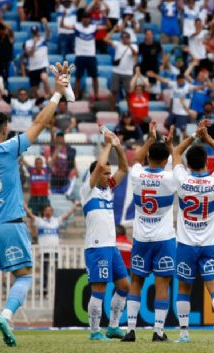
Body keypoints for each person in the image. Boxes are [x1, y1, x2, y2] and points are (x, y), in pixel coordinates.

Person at [0, 63, 74, 347]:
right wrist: (57, 94)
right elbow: (40, 123)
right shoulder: (10, 148)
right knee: (24, 275)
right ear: (6, 128)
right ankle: (7, 316)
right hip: (11, 225)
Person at [172, 119, 214, 343]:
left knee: (184, 288)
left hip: (186, 244)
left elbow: (176, 153)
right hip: (210, 244)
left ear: (188, 163)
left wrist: (194, 137)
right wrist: (208, 139)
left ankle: (184, 334)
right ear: (207, 162)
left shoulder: (182, 179)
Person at [122, 122, 176, 342]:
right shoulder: (170, 178)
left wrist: (150, 139)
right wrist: (171, 146)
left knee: (136, 282)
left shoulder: (137, 174)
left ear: (148, 158)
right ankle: (158, 332)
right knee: (162, 284)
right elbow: (180, 166)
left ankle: (131, 330)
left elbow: (135, 159)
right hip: (163, 239)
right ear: (165, 161)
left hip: (141, 238)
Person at [80, 129, 130, 341]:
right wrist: (108, 143)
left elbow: (125, 168)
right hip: (96, 247)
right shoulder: (87, 190)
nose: (109, 176)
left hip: (111, 246)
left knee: (124, 286)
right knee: (99, 291)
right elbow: (100, 164)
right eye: (105, 173)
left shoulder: (107, 189)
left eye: (110, 174)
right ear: (95, 175)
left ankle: (113, 327)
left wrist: (118, 146)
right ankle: (94, 332)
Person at [24, 202, 78, 295]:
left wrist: (74, 206)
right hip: (45, 250)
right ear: (44, 212)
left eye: (50, 210)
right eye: (46, 210)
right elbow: (30, 215)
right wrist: (24, 206)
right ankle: (44, 290)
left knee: (57, 271)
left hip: (55, 250)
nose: (48, 212)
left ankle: (58, 288)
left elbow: (67, 215)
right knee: (44, 271)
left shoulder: (56, 221)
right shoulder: (40, 221)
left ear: (52, 212)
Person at [61, 8, 98, 100]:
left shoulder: (94, 27)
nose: (86, 20)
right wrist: (63, 16)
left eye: (87, 18)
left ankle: (96, 96)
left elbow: (107, 26)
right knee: (78, 77)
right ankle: (76, 95)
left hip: (91, 56)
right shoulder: (77, 26)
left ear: (90, 19)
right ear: (81, 19)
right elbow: (62, 25)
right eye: (84, 18)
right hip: (80, 56)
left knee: (95, 77)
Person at [105, 30, 139, 106]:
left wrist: (129, 45)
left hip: (128, 73)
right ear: (121, 38)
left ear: (129, 38)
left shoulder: (134, 46)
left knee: (129, 93)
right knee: (114, 91)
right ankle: (112, 109)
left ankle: (129, 110)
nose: (125, 39)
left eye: (127, 37)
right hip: (116, 71)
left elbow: (135, 55)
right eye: (123, 37)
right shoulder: (118, 44)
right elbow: (106, 39)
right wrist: (113, 30)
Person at [24, 20, 52, 98]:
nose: (35, 34)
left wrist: (45, 24)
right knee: (35, 90)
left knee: (44, 78)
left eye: (36, 32)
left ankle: (49, 95)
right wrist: (34, 44)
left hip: (43, 65)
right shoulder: (28, 43)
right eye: (34, 33)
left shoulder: (44, 40)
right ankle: (39, 101)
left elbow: (48, 32)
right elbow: (30, 54)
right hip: (33, 68)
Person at [49, 131, 77, 196]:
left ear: (63, 139)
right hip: (55, 176)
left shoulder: (68, 149)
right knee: (54, 195)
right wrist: (51, 128)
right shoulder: (53, 148)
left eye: (61, 138)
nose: (59, 139)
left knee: (64, 194)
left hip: (64, 176)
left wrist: (75, 168)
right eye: (58, 138)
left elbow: (72, 160)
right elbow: (52, 139)